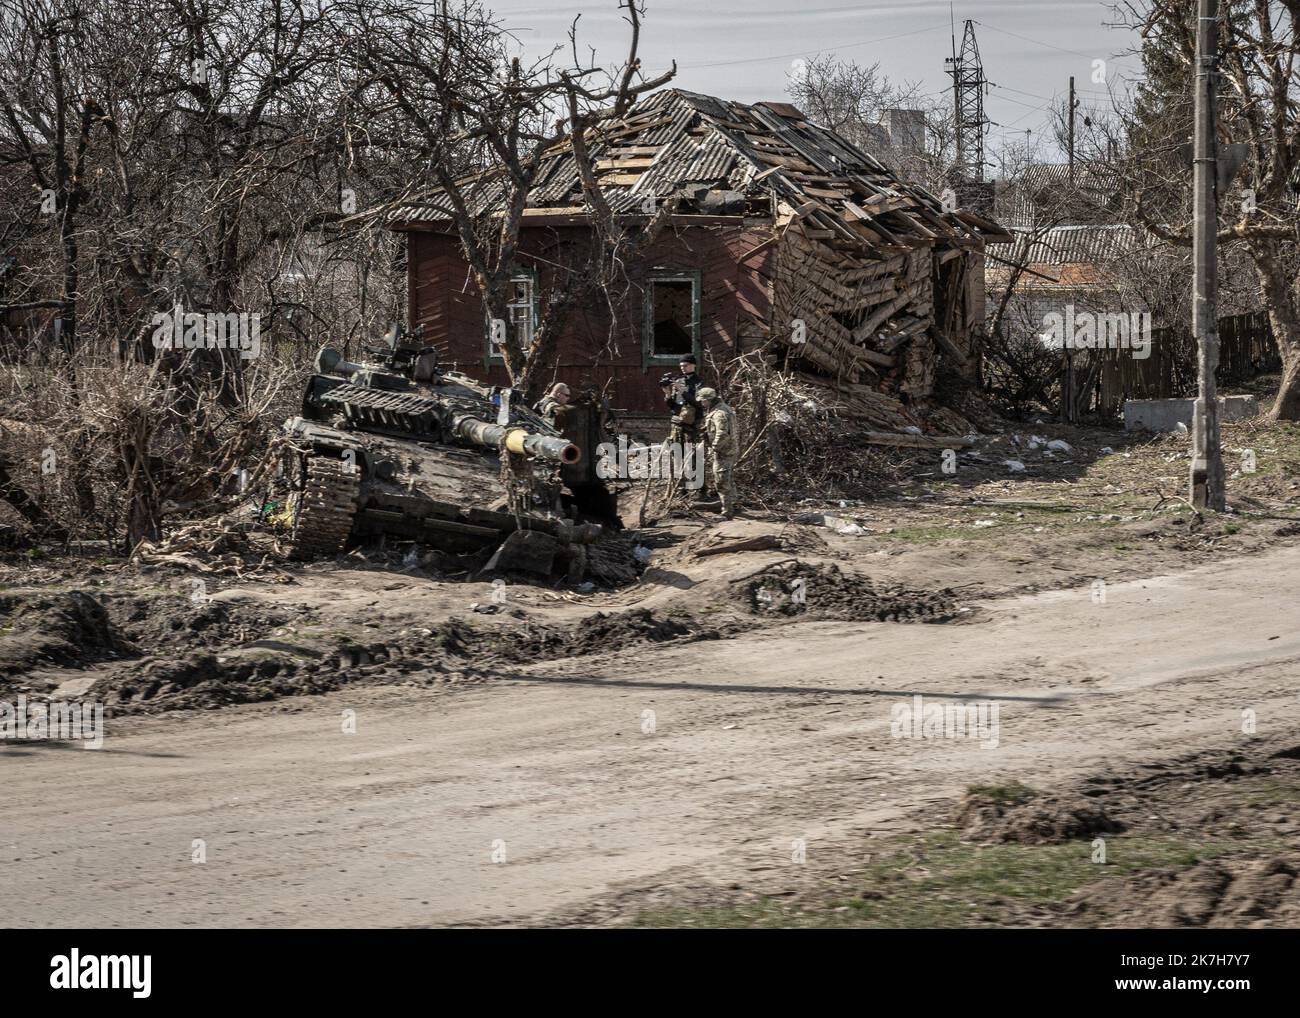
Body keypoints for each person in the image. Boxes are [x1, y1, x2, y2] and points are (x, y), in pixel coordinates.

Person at [698, 386, 739, 519]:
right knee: (728, 478)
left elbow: (722, 433)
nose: (702, 403)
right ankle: (732, 504)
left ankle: (727, 511)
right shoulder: (721, 409)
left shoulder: (719, 413)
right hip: (729, 449)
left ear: (709, 400)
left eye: (703, 401)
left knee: (721, 480)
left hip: (723, 451)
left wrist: (714, 447)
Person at [659, 354, 702, 449]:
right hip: (677, 422)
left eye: (685, 365)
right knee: (676, 453)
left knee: (691, 454)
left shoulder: (699, 382)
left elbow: (698, 403)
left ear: (693, 365)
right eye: (681, 366)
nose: (683, 368)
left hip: (692, 424)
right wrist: (668, 394)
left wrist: (682, 391)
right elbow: (672, 406)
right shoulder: (678, 380)